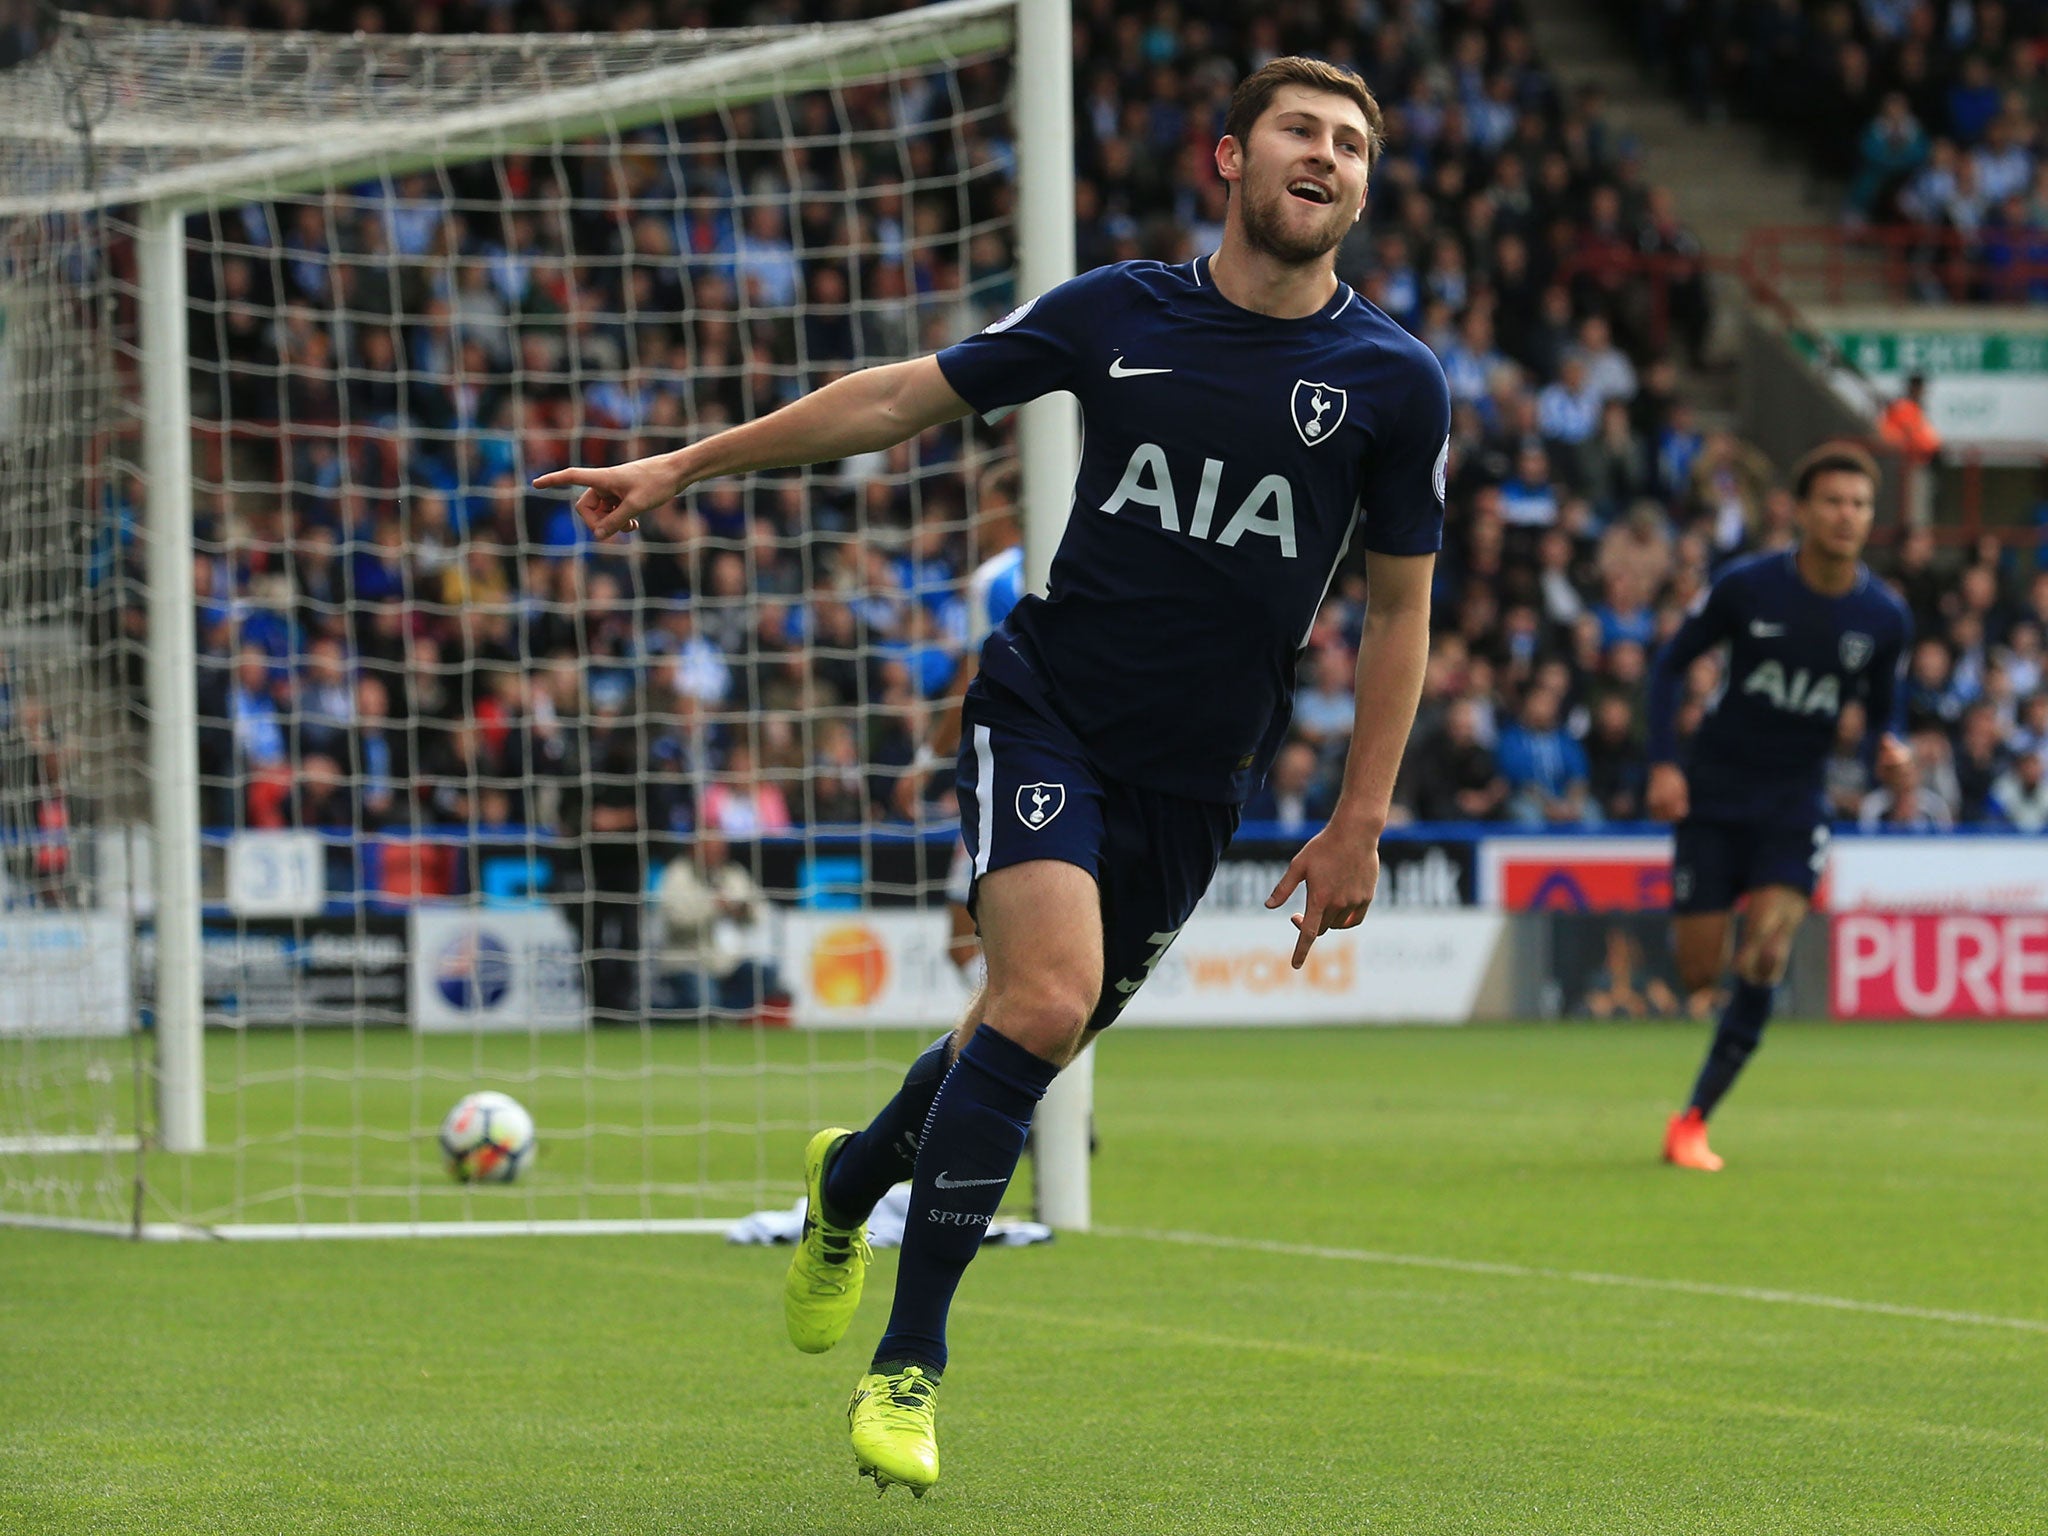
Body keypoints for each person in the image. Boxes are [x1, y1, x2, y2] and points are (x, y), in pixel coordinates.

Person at [534, 57, 1447, 1496]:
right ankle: (911, 1368)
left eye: (1351, 141)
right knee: (1038, 999)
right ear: (1231, 156)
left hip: (1197, 782)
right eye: (1299, 131)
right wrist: (683, 468)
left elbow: (1401, 611)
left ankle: (849, 1182)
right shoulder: (1118, 310)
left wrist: (1358, 819)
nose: (1326, 155)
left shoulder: (1395, 382)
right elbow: (900, 397)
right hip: (1047, 712)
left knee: (1021, 1046)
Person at [1646, 443, 1911, 1172]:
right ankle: (1719, 979)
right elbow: (1670, 666)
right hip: (1716, 794)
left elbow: (1886, 716)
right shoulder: (1748, 588)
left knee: (1765, 953)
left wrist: (1892, 751)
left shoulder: (1884, 618)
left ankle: (1693, 1120)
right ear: (1801, 510)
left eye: (1859, 504)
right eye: (1832, 501)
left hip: (1796, 803)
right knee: (1700, 972)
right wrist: (1664, 762)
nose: (1847, 515)